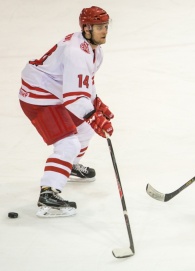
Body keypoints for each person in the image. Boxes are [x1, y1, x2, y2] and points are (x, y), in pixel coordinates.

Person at [19, 6, 114, 218]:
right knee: (68, 143)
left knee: (85, 131)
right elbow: (73, 99)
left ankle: (68, 165)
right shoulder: (76, 52)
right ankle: (48, 194)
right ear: (86, 28)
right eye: (99, 27)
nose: (104, 31)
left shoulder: (94, 50)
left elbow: (83, 85)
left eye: (106, 26)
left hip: (55, 93)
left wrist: (96, 103)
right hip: (39, 97)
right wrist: (93, 115)